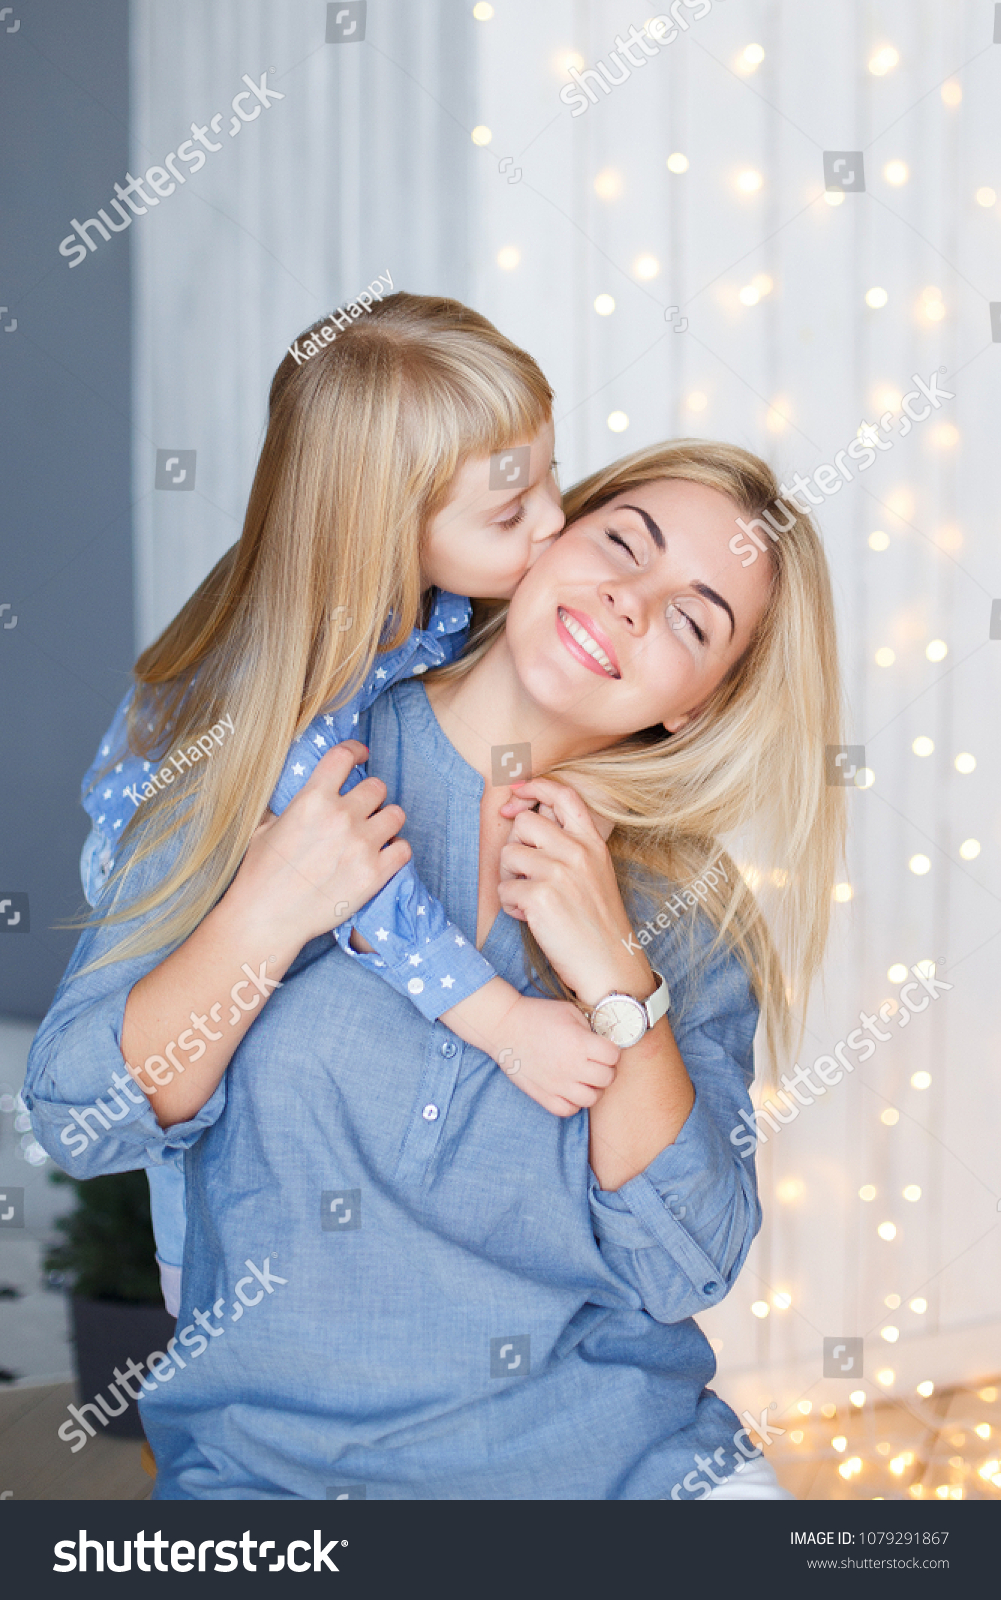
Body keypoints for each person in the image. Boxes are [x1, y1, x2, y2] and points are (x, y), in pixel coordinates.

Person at [27, 436, 844, 1499]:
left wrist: (615, 978)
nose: (632, 603)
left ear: (696, 701)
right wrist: (265, 912)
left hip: (623, 1471)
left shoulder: (683, 909)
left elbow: (681, 1264)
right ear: (546, 539)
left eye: (692, 619)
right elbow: (81, 1116)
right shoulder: (275, 752)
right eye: (620, 544)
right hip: (280, 1482)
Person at [69, 292, 620, 1315]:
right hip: (173, 856)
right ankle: (215, 1322)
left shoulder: (424, 601)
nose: (553, 521)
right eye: (508, 512)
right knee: (206, 1146)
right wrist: (502, 1022)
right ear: (382, 531)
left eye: (548, 473)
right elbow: (361, 890)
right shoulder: (309, 683)